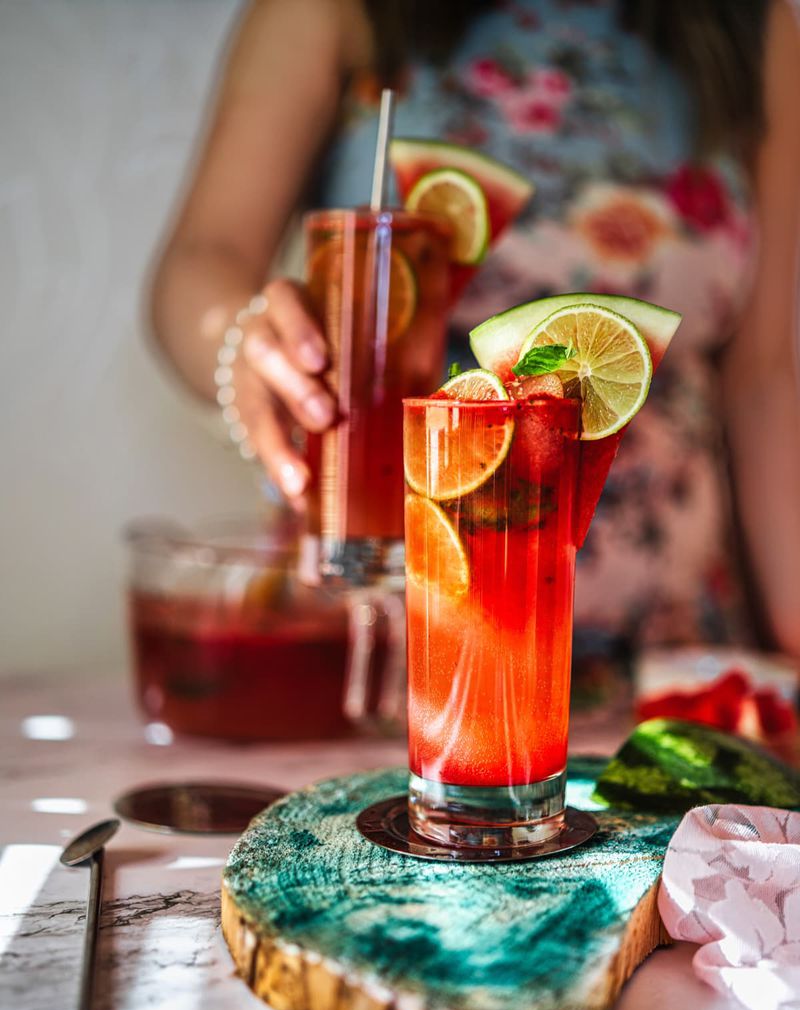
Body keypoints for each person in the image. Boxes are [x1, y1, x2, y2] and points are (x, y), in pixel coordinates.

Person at [149, 0, 800, 661]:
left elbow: (762, 381)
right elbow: (203, 262)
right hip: (383, 628)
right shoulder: (338, 11)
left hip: (673, 649)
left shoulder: (754, 23)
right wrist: (243, 344)